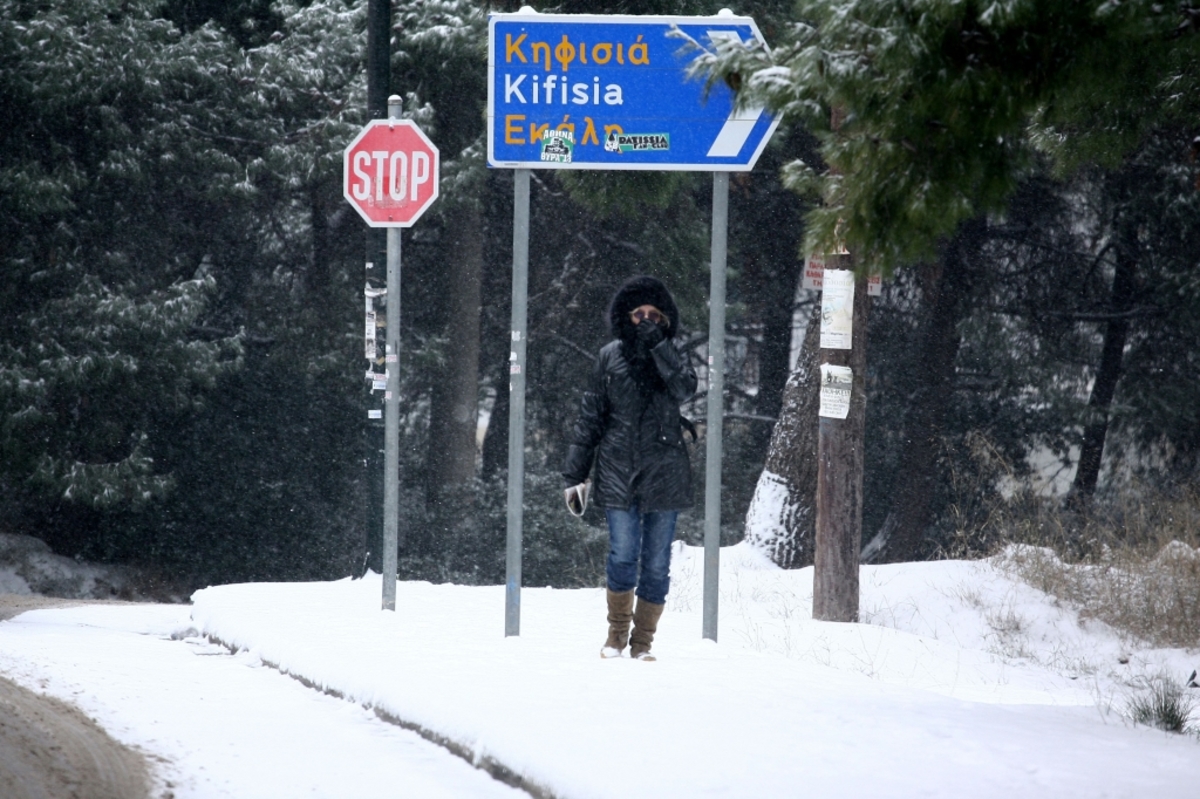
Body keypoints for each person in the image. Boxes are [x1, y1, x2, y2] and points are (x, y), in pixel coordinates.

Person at [562, 276, 697, 661]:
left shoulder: (672, 353)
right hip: (618, 469)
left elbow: (685, 389)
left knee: (656, 562)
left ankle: (643, 644)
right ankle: (616, 636)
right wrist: (575, 475)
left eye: (654, 315)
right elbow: (591, 416)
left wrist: (659, 348)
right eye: (639, 314)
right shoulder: (609, 356)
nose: (646, 321)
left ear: (666, 320)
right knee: (623, 554)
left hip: (665, 472)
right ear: (626, 316)